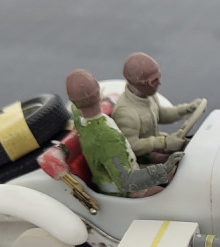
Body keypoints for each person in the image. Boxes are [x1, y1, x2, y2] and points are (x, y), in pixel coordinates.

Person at [65, 69, 182, 198]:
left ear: (73, 101)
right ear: (99, 92)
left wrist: (158, 158)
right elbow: (126, 182)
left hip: (111, 178)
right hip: (121, 191)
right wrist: (164, 170)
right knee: (168, 193)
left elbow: (75, 108)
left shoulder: (79, 119)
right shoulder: (107, 137)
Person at [112, 52, 203, 163]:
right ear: (141, 83)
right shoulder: (126, 113)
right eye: (154, 81)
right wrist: (163, 143)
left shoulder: (148, 96)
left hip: (155, 147)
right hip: (140, 159)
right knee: (177, 164)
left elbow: (162, 114)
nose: (159, 83)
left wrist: (186, 109)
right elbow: (131, 145)